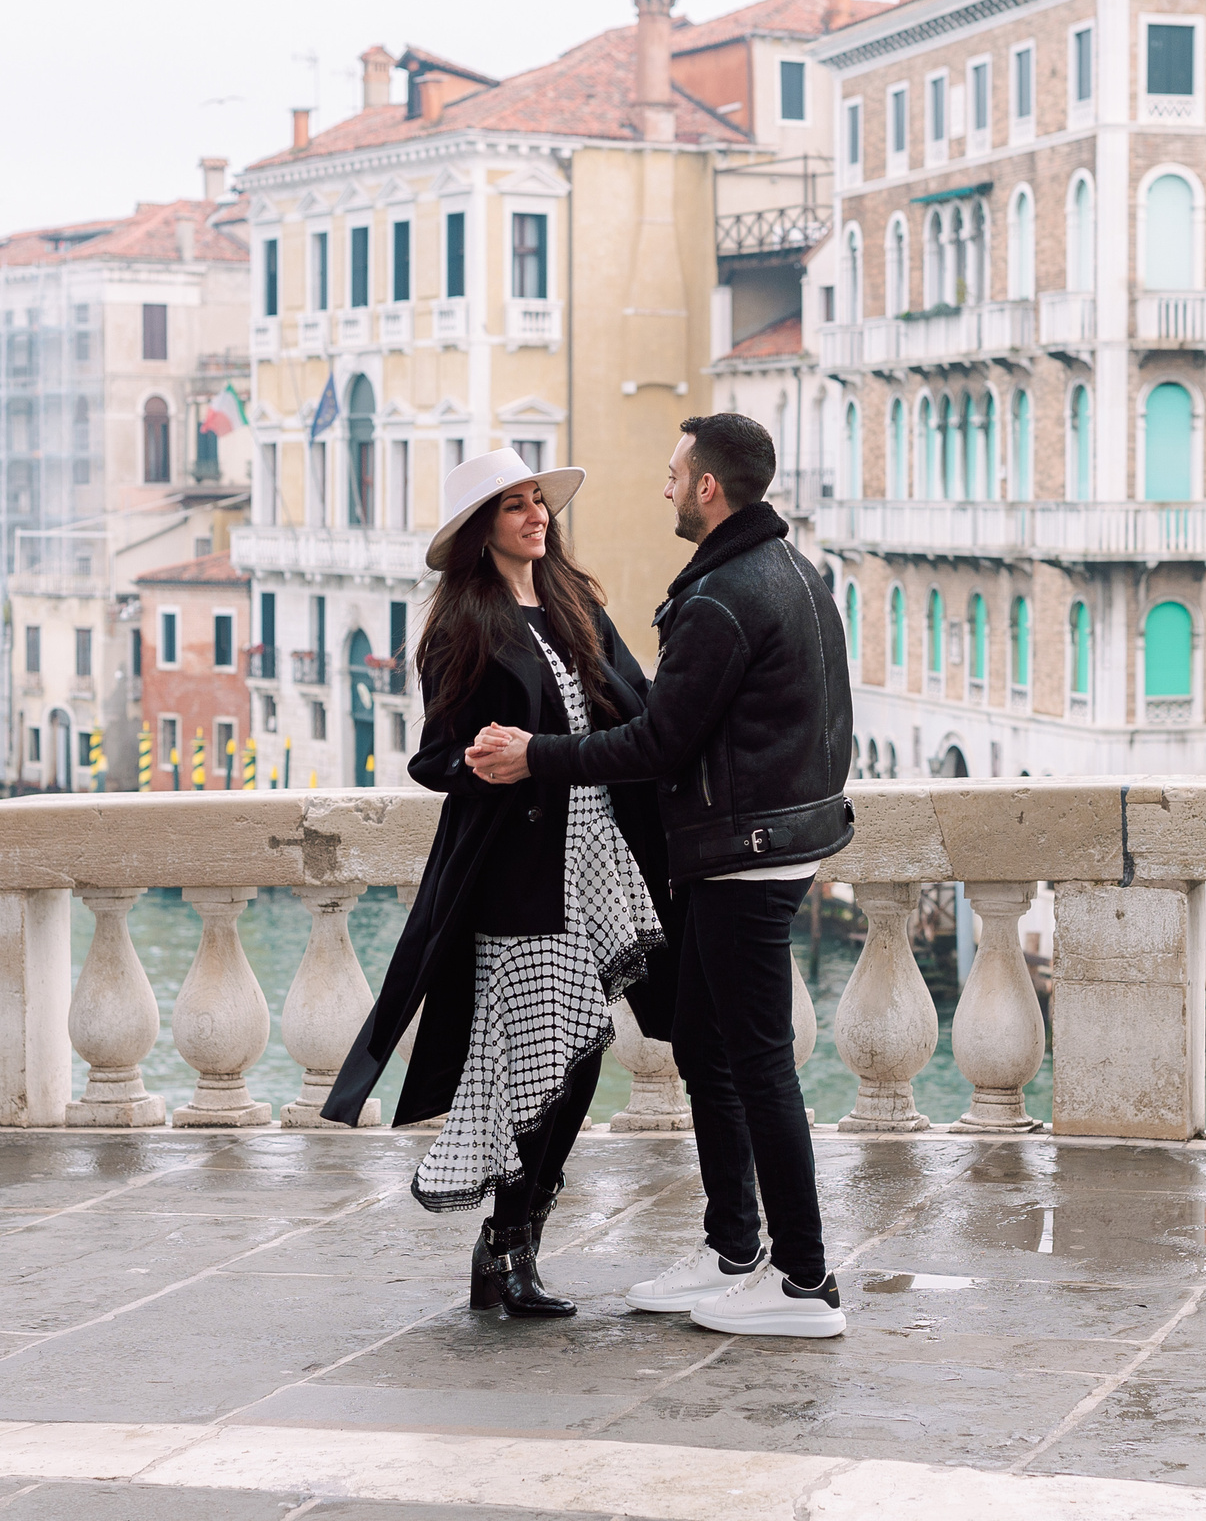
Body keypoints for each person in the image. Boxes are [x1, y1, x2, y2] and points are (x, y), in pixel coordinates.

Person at [465, 412, 855, 1338]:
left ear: (710, 487)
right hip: (779, 839)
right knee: (708, 1047)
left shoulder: (723, 596)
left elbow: (660, 739)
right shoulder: (794, 572)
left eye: (676, 473)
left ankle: (802, 1284)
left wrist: (536, 755)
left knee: (757, 1065)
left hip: (743, 856)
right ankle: (732, 1252)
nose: (667, 486)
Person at [320, 447, 673, 1321]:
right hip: (518, 870)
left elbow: (638, 700)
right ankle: (506, 1250)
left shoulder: (575, 604)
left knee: (583, 1056)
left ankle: (514, 1241)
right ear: (484, 530)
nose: (535, 516)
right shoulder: (463, 625)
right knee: (542, 1060)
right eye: (514, 506)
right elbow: (436, 756)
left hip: (598, 856)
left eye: (537, 502)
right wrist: (485, 764)